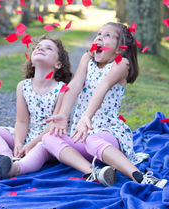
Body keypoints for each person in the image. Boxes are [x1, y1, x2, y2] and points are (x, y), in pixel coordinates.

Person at [42, 22, 167, 188]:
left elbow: (103, 85)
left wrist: (86, 116)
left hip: (109, 133)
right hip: (83, 133)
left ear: (119, 49)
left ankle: (140, 176)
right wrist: (64, 114)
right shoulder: (87, 59)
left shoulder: (121, 63)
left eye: (107, 35)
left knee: (92, 139)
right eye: (98, 34)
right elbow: (75, 85)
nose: (99, 37)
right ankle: (94, 172)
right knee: (48, 138)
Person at [0, 35, 73, 180]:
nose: (40, 48)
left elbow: (52, 128)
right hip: (28, 135)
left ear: (58, 64)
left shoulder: (61, 89)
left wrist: (31, 144)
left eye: (48, 48)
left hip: (48, 139)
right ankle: (7, 157)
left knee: (41, 148)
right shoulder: (23, 87)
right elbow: (22, 121)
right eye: (38, 47)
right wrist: (19, 143)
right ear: (31, 61)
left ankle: (16, 169)